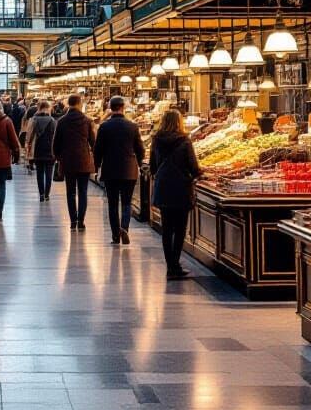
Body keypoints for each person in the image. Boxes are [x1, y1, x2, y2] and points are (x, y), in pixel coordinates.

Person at [150, 108, 202, 279]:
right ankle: (175, 266)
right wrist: (199, 174)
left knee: (167, 229)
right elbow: (193, 167)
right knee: (180, 229)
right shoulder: (185, 141)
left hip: (163, 187)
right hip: (181, 188)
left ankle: (170, 266)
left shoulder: (156, 140)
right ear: (179, 122)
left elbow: (152, 167)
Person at [94, 95, 146, 244]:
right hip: (129, 170)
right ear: (123, 107)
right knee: (127, 202)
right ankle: (124, 228)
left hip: (110, 170)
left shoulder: (104, 127)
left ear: (110, 108)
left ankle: (115, 235)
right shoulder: (132, 126)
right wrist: (140, 162)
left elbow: (98, 150)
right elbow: (140, 149)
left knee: (112, 204)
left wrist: (96, 167)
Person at [52, 93, 96, 231]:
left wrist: (58, 158)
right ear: (79, 103)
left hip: (68, 161)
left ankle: (72, 221)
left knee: (70, 192)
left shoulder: (61, 121)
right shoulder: (87, 121)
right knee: (83, 192)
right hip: (83, 161)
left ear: (68, 104)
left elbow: (56, 143)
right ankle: (81, 221)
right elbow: (93, 142)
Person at [27, 101, 57, 202]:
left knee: (39, 173)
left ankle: (41, 194)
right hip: (50, 149)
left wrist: (29, 146)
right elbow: (55, 136)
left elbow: (30, 135)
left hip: (38, 149)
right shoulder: (52, 120)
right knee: (49, 173)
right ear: (47, 108)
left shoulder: (34, 119)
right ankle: (47, 194)